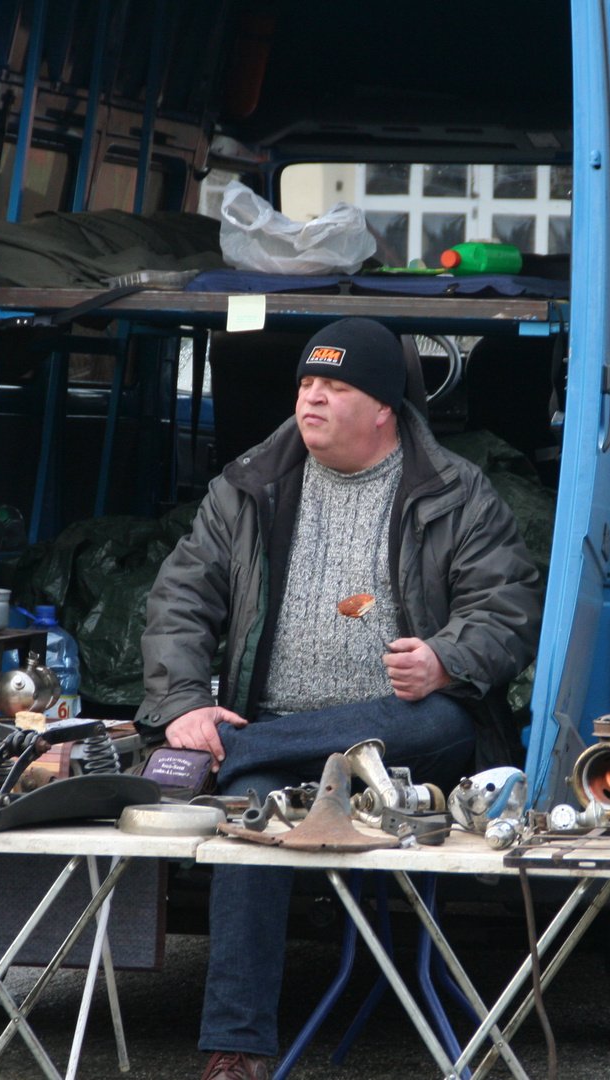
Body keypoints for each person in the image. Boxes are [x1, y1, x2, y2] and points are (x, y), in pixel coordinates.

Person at [136, 317, 544, 1080]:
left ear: (384, 407)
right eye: (305, 383)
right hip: (280, 730)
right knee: (251, 831)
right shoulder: (249, 483)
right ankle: (237, 1051)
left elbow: (508, 607)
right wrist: (187, 702)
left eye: (335, 386)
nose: (312, 398)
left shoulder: (456, 491)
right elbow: (179, 599)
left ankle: (234, 752)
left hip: (407, 744)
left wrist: (446, 659)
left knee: (426, 717)